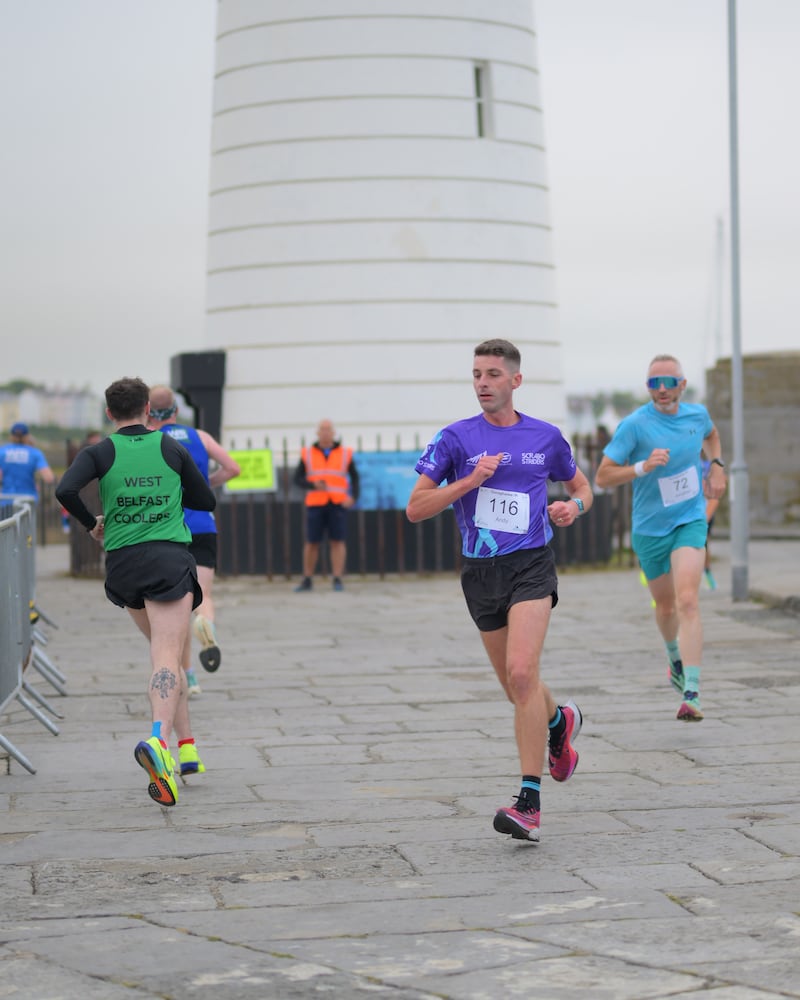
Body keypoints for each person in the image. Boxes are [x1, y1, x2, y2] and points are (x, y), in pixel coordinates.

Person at [406, 339, 592, 844]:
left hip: (531, 565)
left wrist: (573, 508)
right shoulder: (455, 439)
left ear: (515, 380)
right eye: (476, 374)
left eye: (492, 374)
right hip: (480, 573)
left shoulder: (545, 436)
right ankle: (560, 722)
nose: (482, 383)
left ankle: (528, 803)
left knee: (521, 672)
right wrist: (467, 481)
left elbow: (582, 487)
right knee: (518, 690)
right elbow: (416, 508)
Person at [56, 376, 216, 807]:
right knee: (168, 655)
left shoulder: (100, 452)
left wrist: (93, 523)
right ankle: (159, 741)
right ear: (148, 409)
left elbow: (64, 489)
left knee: (169, 652)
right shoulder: (171, 447)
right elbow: (205, 501)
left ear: (109, 413)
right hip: (167, 559)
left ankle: (187, 750)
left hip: (123, 564)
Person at [595, 354, 727, 722]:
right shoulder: (634, 426)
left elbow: (712, 435)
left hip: (689, 520)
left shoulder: (696, 416)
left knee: (688, 600)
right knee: (666, 607)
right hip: (650, 529)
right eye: (655, 383)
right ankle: (674, 657)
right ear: (648, 387)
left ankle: (693, 691)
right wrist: (643, 466)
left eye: (670, 382)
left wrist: (716, 465)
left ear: (682, 385)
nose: (663, 390)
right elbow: (603, 477)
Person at [147, 385, 241, 693]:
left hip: (169, 528)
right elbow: (233, 468)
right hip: (202, 524)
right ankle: (207, 625)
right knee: (205, 595)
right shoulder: (200, 436)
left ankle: (189, 677)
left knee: (177, 607)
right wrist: (206, 484)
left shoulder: (149, 440)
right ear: (176, 411)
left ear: (149, 412)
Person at [293, 419, 359, 592]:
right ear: (317, 432)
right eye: (322, 429)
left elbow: (355, 477)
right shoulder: (307, 453)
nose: (325, 432)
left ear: (333, 432)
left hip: (337, 503)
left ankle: (337, 578)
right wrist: (312, 485)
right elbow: (297, 479)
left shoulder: (345, 453)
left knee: (337, 541)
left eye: (328, 429)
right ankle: (307, 578)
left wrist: (353, 497)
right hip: (316, 502)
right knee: (312, 542)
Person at [0, 422, 55, 500]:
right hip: (28, 498)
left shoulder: (2, 452)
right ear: (27, 436)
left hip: (6, 498)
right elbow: (49, 478)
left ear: (11, 436)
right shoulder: (35, 453)